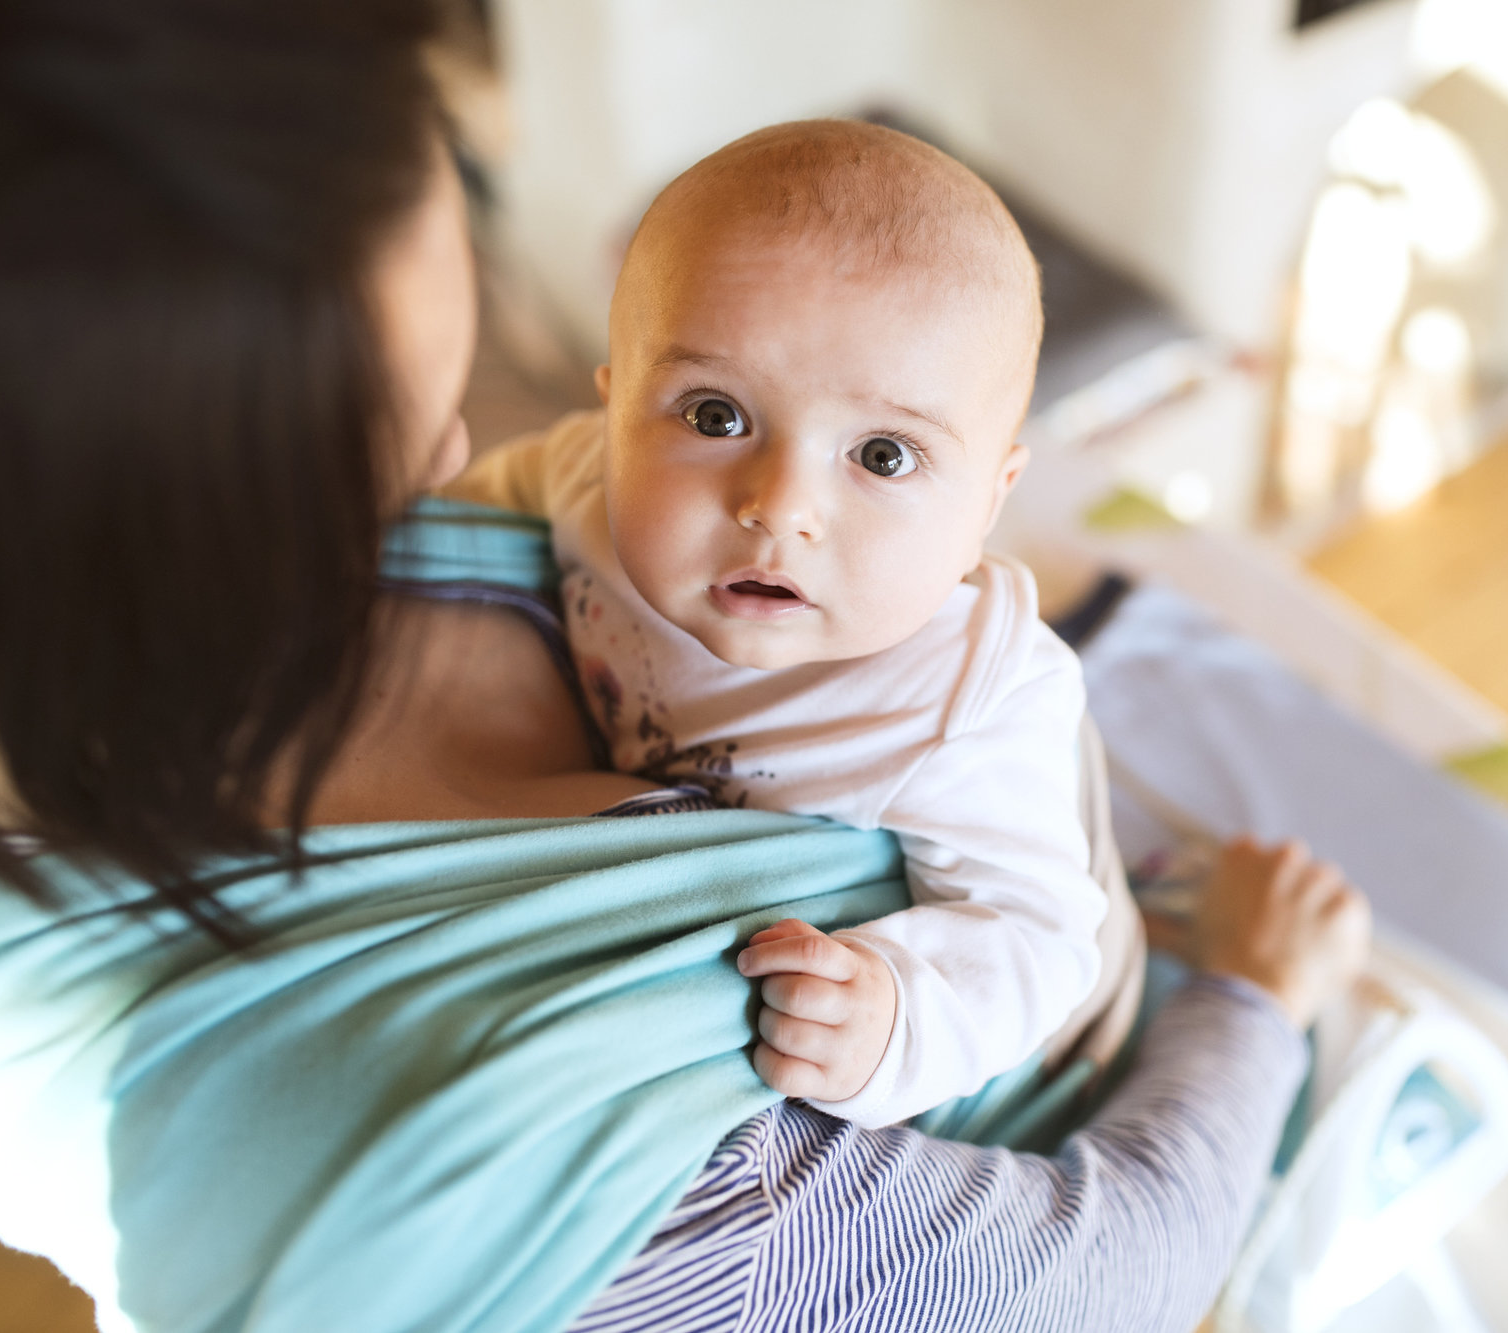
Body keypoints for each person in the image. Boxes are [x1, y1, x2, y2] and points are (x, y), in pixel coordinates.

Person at [0, 3, 1370, 1330]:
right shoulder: (580, 1232)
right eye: (704, 413)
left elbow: (1029, 916)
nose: (449, 461)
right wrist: (1250, 1000)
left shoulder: (951, 694)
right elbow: (1126, 1266)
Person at [448, 120, 1122, 1129]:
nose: (778, 505)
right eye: (714, 416)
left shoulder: (967, 701)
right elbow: (474, 511)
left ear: (990, 497)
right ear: (617, 408)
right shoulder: (586, 478)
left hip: (1057, 1002)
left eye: (883, 456)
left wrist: (891, 1012)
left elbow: (1038, 939)